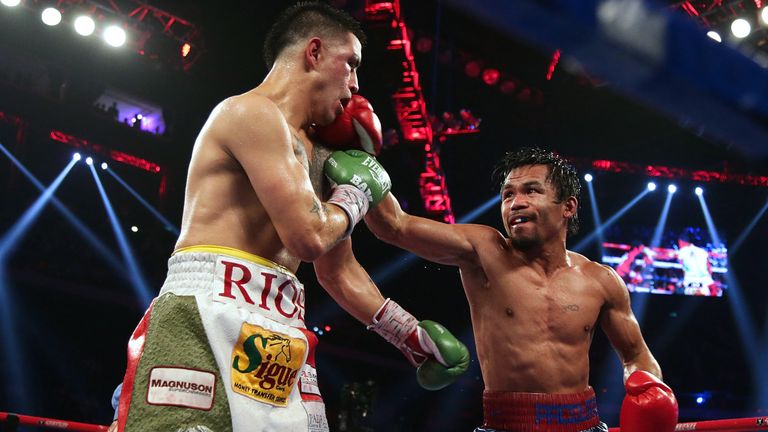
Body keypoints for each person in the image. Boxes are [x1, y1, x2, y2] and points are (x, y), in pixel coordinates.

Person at [112, 3, 469, 432]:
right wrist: (355, 195)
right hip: (209, 308)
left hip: (281, 322)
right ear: (314, 52)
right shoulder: (248, 113)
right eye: (351, 64)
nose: (355, 85)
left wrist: (409, 335)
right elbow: (309, 239)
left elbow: (337, 270)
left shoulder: (321, 155)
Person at [344, 147, 678, 432]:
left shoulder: (601, 279)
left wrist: (649, 387)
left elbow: (636, 355)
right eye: (508, 194)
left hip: (584, 425)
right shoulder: (483, 251)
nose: (515, 203)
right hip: (505, 424)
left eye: (531, 191)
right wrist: (362, 162)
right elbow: (395, 226)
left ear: (569, 207)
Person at [675, 232, 717, 296]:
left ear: (681, 242)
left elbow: (683, 266)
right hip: (704, 279)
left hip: (691, 279)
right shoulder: (703, 251)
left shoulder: (682, 251)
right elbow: (709, 267)